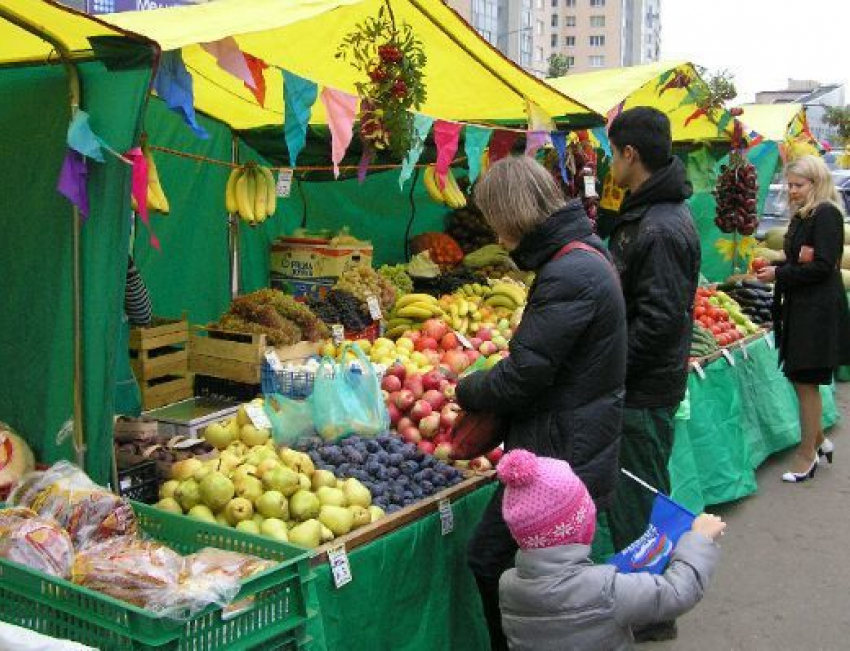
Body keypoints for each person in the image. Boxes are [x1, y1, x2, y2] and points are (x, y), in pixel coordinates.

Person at [456, 156, 627, 650]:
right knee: (547, 576)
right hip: (574, 440)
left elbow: (524, 376)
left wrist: (466, 388)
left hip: (562, 452)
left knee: (490, 559)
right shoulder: (583, 254)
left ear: (509, 214)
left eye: (492, 216)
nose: (491, 228)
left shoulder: (567, 272)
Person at [601, 107, 701, 643]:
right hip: (645, 384)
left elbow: (660, 319)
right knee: (642, 492)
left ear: (630, 155)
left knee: (636, 499)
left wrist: (612, 368)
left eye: (612, 152)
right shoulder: (655, 214)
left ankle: (651, 613)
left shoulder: (659, 226)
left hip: (642, 389)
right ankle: (652, 602)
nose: (609, 162)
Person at [496, 449, 725, 650]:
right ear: (582, 525)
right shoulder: (606, 588)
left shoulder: (508, 585)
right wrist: (698, 540)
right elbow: (676, 592)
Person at [755, 155, 850, 482]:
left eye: (799, 185)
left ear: (817, 182)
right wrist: (784, 264)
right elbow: (800, 257)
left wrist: (780, 272)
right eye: (791, 185)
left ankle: (807, 454)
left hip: (817, 310)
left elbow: (823, 265)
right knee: (799, 377)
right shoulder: (804, 215)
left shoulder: (826, 215)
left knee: (805, 381)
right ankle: (820, 440)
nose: (792, 191)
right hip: (801, 305)